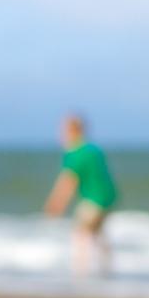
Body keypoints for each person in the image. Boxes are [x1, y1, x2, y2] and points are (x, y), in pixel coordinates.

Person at [43, 114, 118, 275]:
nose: (60, 134)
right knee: (98, 233)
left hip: (92, 199)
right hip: (108, 198)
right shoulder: (94, 150)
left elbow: (68, 182)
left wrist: (55, 204)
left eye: (63, 130)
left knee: (80, 234)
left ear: (71, 131)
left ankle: (80, 272)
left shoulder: (74, 153)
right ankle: (108, 269)